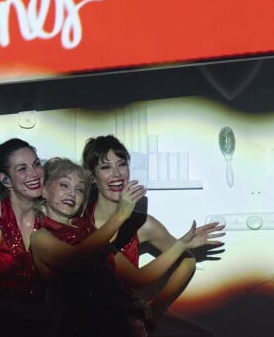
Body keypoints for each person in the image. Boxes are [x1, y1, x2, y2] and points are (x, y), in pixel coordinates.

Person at [30, 157, 214, 336]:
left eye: (79, 190)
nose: (72, 193)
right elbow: (75, 260)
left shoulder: (93, 235)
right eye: (64, 185)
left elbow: (138, 279)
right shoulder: (40, 238)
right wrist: (120, 216)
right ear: (44, 190)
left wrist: (180, 245)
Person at [81, 135, 225, 320]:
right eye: (106, 167)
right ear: (92, 177)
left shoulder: (142, 223)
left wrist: (156, 308)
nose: (116, 174)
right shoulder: (79, 221)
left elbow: (187, 262)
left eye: (122, 164)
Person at [0, 138, 57, 336]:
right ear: (5, 180)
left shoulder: (53, 218)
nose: (34, 174)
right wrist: (46, 314)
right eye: (22, 169)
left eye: (36, 164)